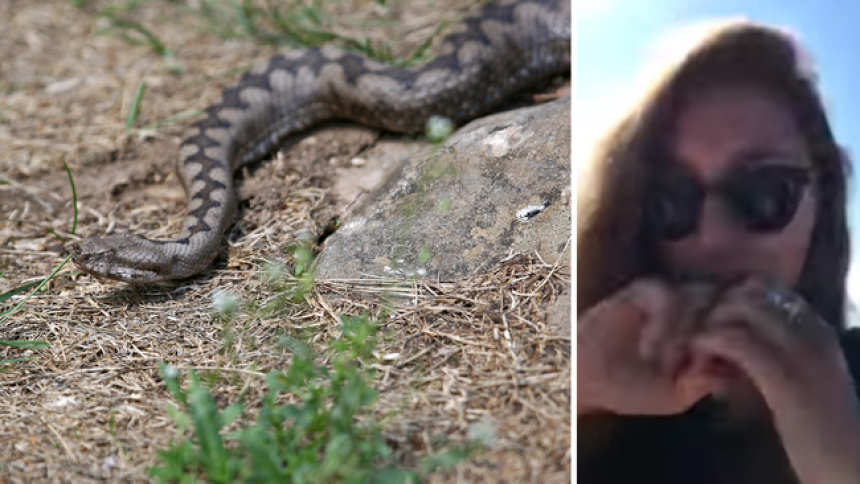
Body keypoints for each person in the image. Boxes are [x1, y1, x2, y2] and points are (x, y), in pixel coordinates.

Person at [577, 20, 860, 484]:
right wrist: (580, 390)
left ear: (823, 206)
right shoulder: (602, 374)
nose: (712, 237)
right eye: (671, 196)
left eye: (764, 191)